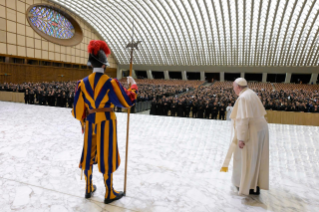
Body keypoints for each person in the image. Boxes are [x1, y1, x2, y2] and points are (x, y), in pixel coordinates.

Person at [72, 40, 138, 204]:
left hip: (90, 122)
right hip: (106, 123)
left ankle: (88, 188)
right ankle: (109, 192)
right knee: (106, 154)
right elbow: (127, 101)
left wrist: (85, 121)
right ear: (104, 65)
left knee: (88, 154)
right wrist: (133, 87)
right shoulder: (110, 83)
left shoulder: (82, 84)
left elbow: (77, 111)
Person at [220, 78, 269, 196]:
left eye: (233, 88)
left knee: (245, 158)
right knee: (255, 159)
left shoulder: (242, 98)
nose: (234, 90)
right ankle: (254, 185)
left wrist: (241, 138)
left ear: (238, 87)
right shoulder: (251, 93)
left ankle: (246, 186)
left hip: (250, 132)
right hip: (261, 130)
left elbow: (243, 119)